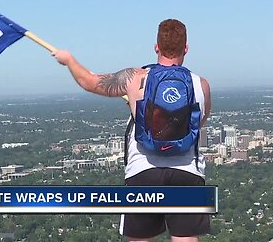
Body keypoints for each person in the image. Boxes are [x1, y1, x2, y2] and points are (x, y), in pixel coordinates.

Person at [52, 19, 211, 242]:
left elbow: (89, 82)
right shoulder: (200, 85)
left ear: (156, 47)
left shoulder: (134, 78)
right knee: (185, 238)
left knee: (140, 239)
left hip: (143, 170)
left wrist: (68, 60)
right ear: (186, 48)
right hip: (187, 172)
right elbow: (198, 123)